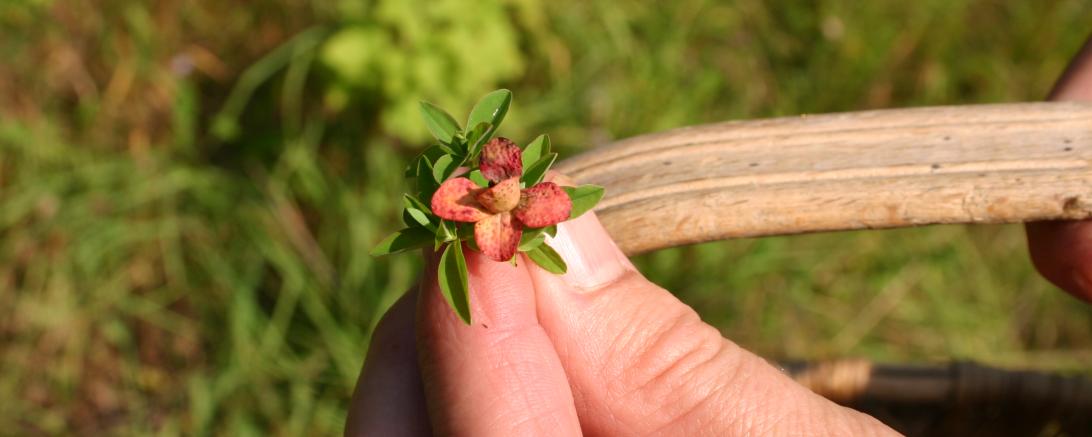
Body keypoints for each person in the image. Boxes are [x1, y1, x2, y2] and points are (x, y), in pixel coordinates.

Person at [345, 34, 1092, 436]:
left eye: (505, 185)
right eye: (492, 189)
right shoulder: (478, 205)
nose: (500, 186)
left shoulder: (519, 210)